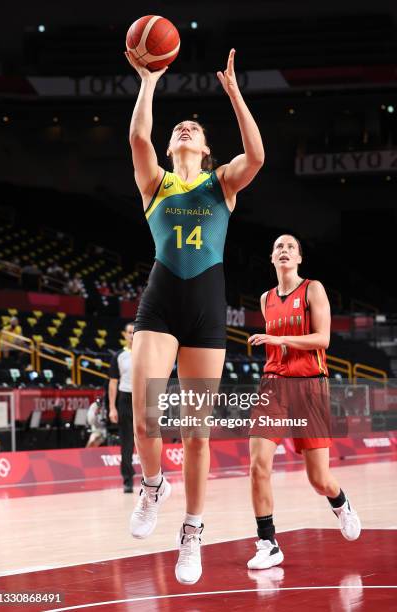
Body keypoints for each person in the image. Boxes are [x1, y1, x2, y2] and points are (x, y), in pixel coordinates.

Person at [125, 47, 264, 585]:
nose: (185, 130)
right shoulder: (155, 182)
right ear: (171, 145)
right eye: (178, 128)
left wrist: (233, 93)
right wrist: (148, 81)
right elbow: (138, 139)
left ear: (206, 149)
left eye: (193, 129)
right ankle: (154, 485)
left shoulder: (221, 183)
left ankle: (192, 530)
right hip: (161, 301)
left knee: (197, 433)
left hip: (206, 307)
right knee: (145, 418)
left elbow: (255, 157)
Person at [247, 234, 361, 570]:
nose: (284, 251)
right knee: (257, 465)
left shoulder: (313, 289)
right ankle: (267, 542)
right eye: (278, 247)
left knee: (318, 479)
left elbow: (322, 339)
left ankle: (340, 503)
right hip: (274, 383)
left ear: (299, 258)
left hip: (310, 384)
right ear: (272, 258)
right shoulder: (265, 298)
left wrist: (279, 338)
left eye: (290, 247)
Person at [108, 322, 135, 493]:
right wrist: (112, 407)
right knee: (127, 441)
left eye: (135, 332)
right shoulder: (119, 356)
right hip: (125, 399)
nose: (133, 335)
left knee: (149, 439)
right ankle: (127, 479)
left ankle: (154, 478)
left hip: (144, 399)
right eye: (130, 332)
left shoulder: (147, 354)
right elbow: (113, 383)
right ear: (124, 335)